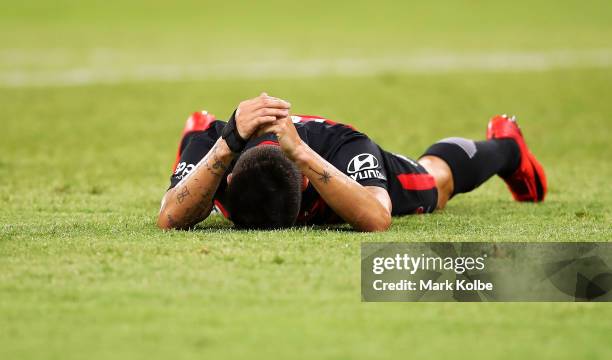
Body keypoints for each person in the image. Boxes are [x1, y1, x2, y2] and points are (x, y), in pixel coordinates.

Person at [157, 93, 547, 232]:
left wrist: (305, 156)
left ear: (307, 187)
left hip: (330, 156)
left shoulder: (344, 147)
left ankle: (508, 147)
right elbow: (169, 218)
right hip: (224, 145)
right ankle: (195, 130)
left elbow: (378, 218)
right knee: (197, 160)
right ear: (224, 186)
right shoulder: (222, 145)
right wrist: (222, 148)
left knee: (436, 181)